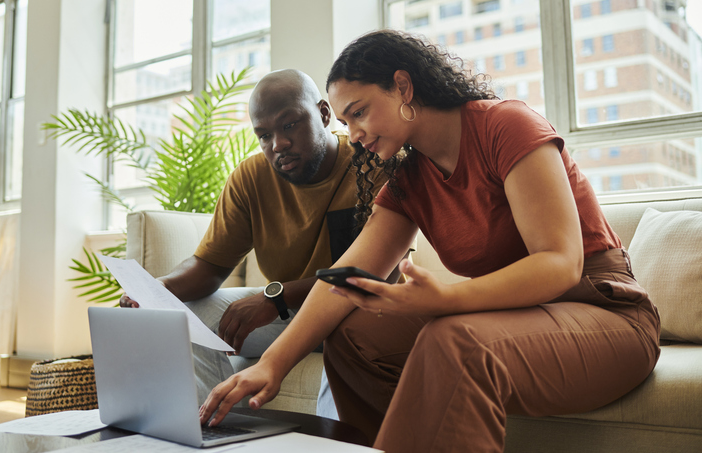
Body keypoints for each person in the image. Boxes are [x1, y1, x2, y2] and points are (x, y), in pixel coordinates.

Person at [197, 30, 661, 453]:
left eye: (358, 113)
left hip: (606, 314)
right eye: (343, 120)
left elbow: (559, 263)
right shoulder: (410, 176)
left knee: (454, 338)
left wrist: (448, 300)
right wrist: (272, 364)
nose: (352, 135)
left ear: (403, 86)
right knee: (353, 337)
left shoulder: (506, 125)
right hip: (514, 317)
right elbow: (345, 280)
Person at [120, 69, 398, 418]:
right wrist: (156, 290)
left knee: (349, 329)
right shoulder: (251, 178)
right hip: (285, 311)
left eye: (289, 125)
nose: (278, 144)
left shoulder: (371, 163)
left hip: (358, 310)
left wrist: (275, 297)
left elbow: (375, 277)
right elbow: (209, 267)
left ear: (324, 115)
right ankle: (209, 428)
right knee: (179, 316)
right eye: (264, 135)